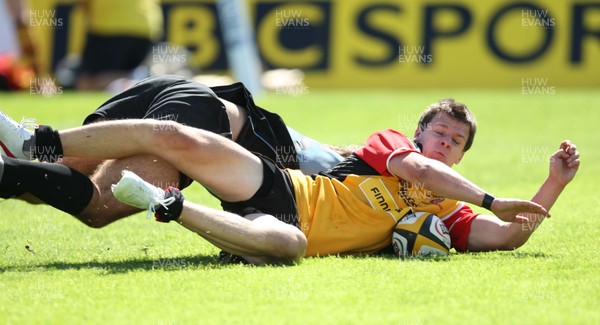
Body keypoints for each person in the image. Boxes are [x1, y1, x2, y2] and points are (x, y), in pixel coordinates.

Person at [0, 99, 577, 265]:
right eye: (440, 134)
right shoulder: (390, 148)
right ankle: (41, 143)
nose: (445, 145)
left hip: (284, 226)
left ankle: (166, 205)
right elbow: (420, 171)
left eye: (457, 141)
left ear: (464, 152)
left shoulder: (448, 215)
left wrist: (552, 184)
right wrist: (492, 197)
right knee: (172, 134)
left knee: (290, 246)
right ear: (419, 134)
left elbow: (509, 238)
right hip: (284, 188)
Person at [0, 75, 342, 228]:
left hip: (178, 91)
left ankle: (16, 158)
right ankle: (29, 143)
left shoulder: (336, 163)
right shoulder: (346, 183)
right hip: (201, 121)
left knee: (57, 176)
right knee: (100, 205)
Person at [75, 0, 163, 90]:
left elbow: (83, 3)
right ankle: (139, 78)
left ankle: (139, 79)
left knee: (89, 81)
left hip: (109, 26)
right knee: (118, 77)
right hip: (147, 26)